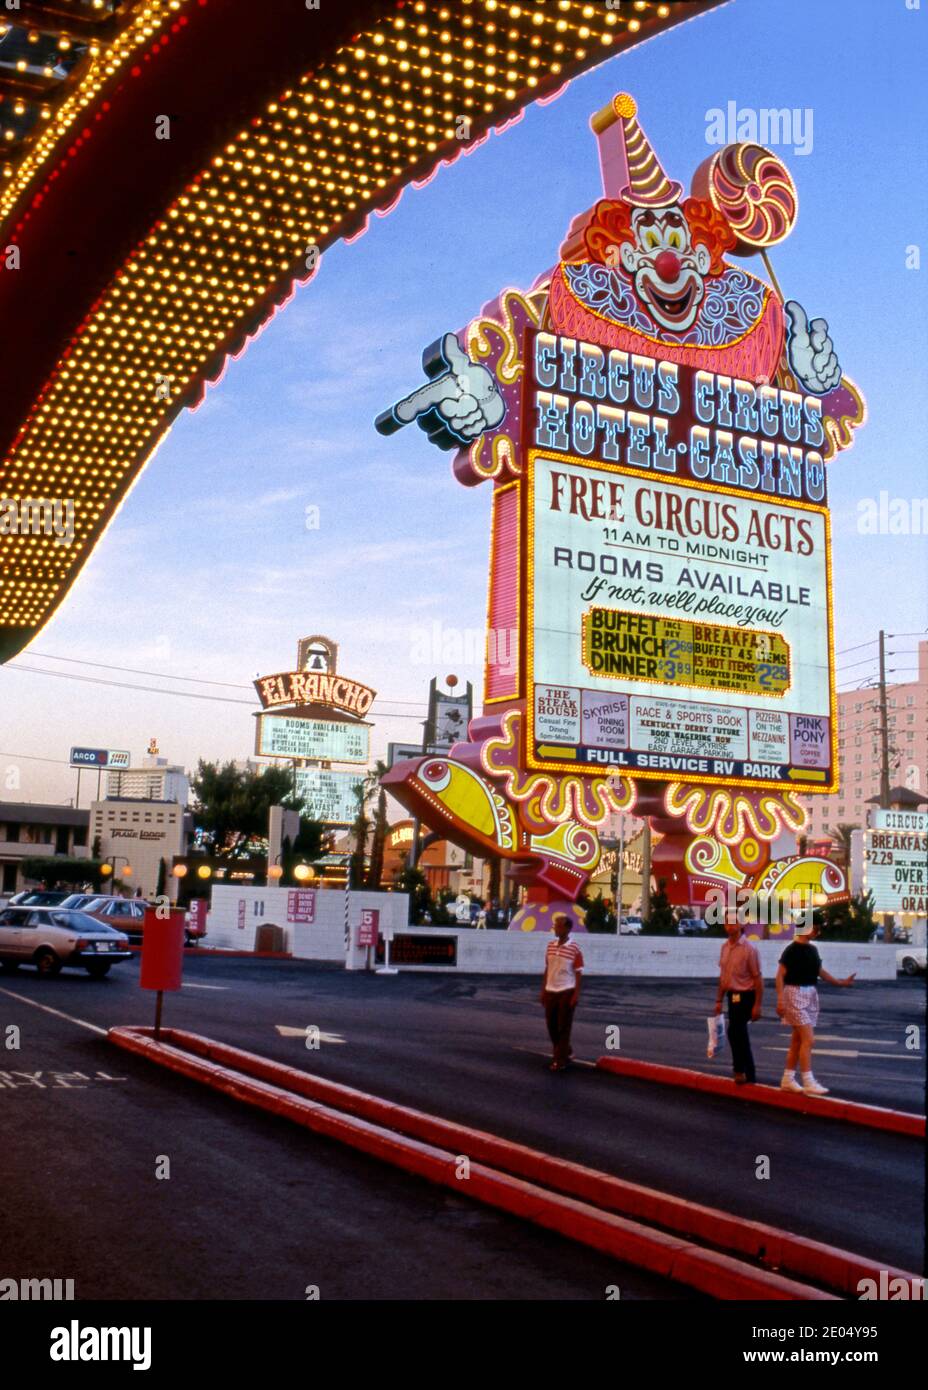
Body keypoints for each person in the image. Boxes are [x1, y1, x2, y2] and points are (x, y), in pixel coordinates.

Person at [776, 917, 856, 1096]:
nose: (817, 932)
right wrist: (780, 998)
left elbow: (820, 972)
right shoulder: (791, 950)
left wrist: (841, 983)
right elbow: (780, 975)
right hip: (794, 993)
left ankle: (788, 1079)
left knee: (797, 1040)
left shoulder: (813, 950)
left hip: (811, 994)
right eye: (816, 928)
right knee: (808, 1039)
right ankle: (808, 1080)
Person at [714, 917, 763, 1085]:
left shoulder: (749, 949)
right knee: (736, 1034)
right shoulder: (724, 947)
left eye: (733, 922)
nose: (729, 926)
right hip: (732, 995)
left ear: (741, 925)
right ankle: (745, 1072)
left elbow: (757, 978)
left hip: (746, 995)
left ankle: (742, 1071)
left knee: (737, 1031)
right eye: (727, 922)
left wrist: (757, 1004)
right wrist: (719, 1000)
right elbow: (723, 976)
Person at [539, 913, 584, 1072]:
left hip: (566, 990)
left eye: (559, 926)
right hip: (551, 990)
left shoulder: (574, 948)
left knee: (563, 1027)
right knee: (551, 1025)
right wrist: (543, 989)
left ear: (567, 928)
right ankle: (566, 1050)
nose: (555, 929)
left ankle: (560, 1060)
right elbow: (547, 968)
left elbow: (578, 972)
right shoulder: (550, 946)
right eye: (555, 925)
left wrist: (576, 995)